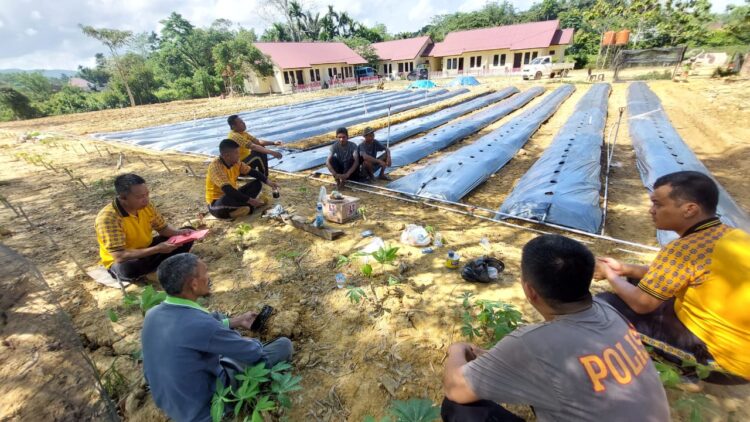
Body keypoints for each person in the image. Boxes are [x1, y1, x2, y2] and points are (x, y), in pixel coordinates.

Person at [442, 234, 669, 422]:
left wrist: (457, 349)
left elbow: (456, 389)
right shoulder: (608, 309)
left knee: (459, 408)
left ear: (530, 291)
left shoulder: (532, 344)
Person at [595, 171, 750, 384]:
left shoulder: (683, 248)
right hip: (739, 347)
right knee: (638, 283)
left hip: (724, 364)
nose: (652, 210)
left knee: (605, 306)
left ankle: (685, 373)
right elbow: (674, 273)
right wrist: (625, 269)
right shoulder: (731, 235)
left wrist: (610, 275)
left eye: (658, 204)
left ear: (689, 209)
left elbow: (642, 304)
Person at [142, 253, 293, 422]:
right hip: (207, 409)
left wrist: (237, 321)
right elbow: (253, 353)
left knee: (217, 321)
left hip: (173, 405)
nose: (209, 277)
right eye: (205, 273)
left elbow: (200, 328)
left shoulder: (152, 314)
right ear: (193, 284)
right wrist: (249, 342)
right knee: (283, 346)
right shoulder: (202, 325)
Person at [94, 173, 194, 282]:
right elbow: (119, 255)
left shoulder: (147, 206)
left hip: (147, 248)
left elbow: (163, 228)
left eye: (147, 194)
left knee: (187, 235)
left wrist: (179, 233)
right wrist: (157, 249)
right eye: (140, 197)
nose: (146, 199)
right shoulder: (108, 219)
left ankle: (157, 267)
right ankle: (158, 267)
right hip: (125, 259)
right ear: (123, 197)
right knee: (129, 268)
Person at [206, 139, 280, 219]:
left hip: (233, 195)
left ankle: (246, 207)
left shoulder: (237, 163)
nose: (239, 155)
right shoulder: (215, 167)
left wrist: (269, 182)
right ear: (227, 156)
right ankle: (246, 207)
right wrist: (250, 200)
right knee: (228, 197)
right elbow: (228, 189)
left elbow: (253, 172)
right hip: (217, 202)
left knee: (257, 184)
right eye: (236, 153)